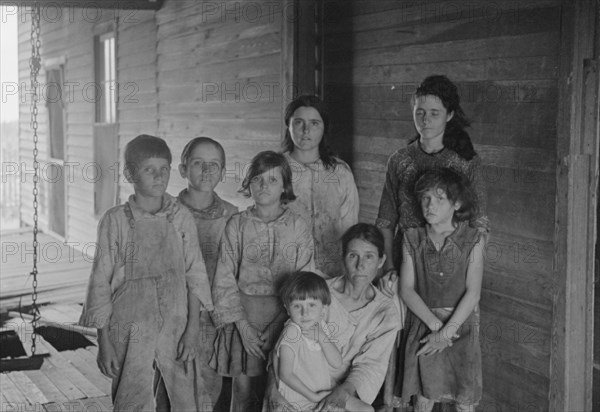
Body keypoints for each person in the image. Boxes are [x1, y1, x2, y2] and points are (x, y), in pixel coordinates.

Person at [79, 134, 213, 411]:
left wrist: (192, 329)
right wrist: (103, 341)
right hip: (130, 325)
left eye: (164, 169)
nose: (159, 176)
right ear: (130, 174)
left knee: (186, 398)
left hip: (176, 323)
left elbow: (195, 274)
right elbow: (100, 282)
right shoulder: (115, 220)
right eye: (149, 170)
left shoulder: (181, 218)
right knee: (131, 397)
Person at [210, 151, 315, 412]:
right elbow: (224, 279)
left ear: (284, 186)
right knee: (243, 390)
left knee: (278, 390)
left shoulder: (298, 227)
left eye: (272, 180)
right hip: (244, 316)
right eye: (257, 179)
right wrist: (243, 328)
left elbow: (305, 282)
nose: (264, 186)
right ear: (248, 184)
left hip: (286, 318)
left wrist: (284, 324)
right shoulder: (237, 225)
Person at [264, 223, 402, 412]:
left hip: (344, 391)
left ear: (381, 261)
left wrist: (342, 394)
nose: (360, 265)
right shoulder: (316, 294)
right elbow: (282, 347)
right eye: (353, 255)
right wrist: (273, 390)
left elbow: (370, 367)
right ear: (343, 257)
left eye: (369, 257)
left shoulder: (385, 313)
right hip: (301, 384)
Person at [377, 75, 489, 287]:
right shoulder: (400, 160)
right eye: (420, 112)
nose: (425, 119)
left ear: (450, 115)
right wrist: (389, 267)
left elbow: (480, 224)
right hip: (406, 262)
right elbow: (385, 220)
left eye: (434, 113)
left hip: (451, 268)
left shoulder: (466, 163)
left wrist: (466, 273)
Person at [399, 168, 485, 412]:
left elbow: (473, 293)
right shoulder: (412, 238)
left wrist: (448, 333)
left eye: (439, 199)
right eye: (425, 198)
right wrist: (437, 330)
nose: (430, 205)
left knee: (464, 399)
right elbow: (406, 290)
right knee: (425, 398)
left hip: (461, 329)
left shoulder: (473, 239)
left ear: (456, 203)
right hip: (425, 327)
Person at [178, 137, 239, 409]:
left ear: (223, 173)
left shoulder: (231, 215)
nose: (206, 171)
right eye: (198, 163)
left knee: (210, 388)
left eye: (213, 165)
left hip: (216, 318)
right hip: (176, 317)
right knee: (174, 387)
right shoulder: (169, 214)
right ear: (183, 170)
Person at [282, 95, 360, 278]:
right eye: (299, 122)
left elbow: (350, 225)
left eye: (314, 123)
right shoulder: (276, 170)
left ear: (324, 128)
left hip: (333, 273)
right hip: (287, 273)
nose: (306, 130)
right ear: (289, 126)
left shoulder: (340, 172)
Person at [274, 271, 374, 412]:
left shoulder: (320, 327)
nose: (305, 313)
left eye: (312, 305)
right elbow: (285, 374)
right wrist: (313, 396)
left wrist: (322, 338)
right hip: (301, 400)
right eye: (297, 306)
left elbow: (336, 362)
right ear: (287, 309)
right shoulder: (292, 332)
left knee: (367, 410)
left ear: (324, 308)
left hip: (323, 393)